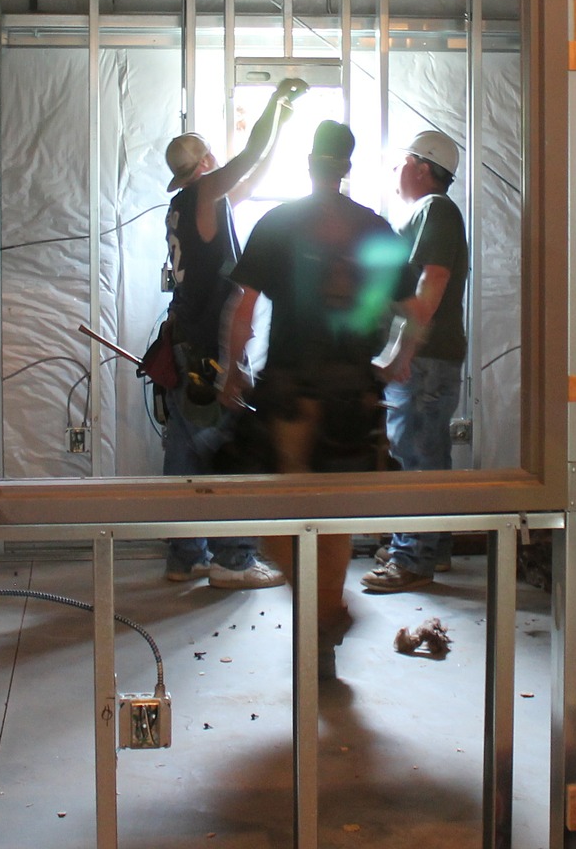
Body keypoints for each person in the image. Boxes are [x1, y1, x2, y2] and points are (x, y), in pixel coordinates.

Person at [218, 120, 409, 674]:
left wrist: (235, 369)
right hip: (353, 397)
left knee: (285, 510)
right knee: (333, 518)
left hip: (294, 392)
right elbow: (412, 308)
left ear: (309, 161)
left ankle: (320, 614)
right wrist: (395, 360)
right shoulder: (373, 228)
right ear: (346, 166)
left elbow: (245, 303)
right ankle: (323, 625)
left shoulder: (280, 223)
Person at [157, 76, 308, 589]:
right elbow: (246, 158)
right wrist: (274, 103)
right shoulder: (203, 191)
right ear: (203, 166)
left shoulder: (190, 204)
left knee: (181, 455)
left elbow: (251, 169)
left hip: (183, 346)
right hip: (207, 353)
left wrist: (281, 127)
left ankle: (186, 557)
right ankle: (234, 559)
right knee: (227, 448)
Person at [362, 130, 469, 593]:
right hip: (430, 356)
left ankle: (413, 557)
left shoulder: (436, 210)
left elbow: (434, 279)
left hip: (423, 357)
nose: (397, 170)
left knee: (415, 456)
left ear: (423, 167)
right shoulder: (429, 213)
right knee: (430, 452)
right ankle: (432, 547)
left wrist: (403, 351)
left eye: (403, 162)